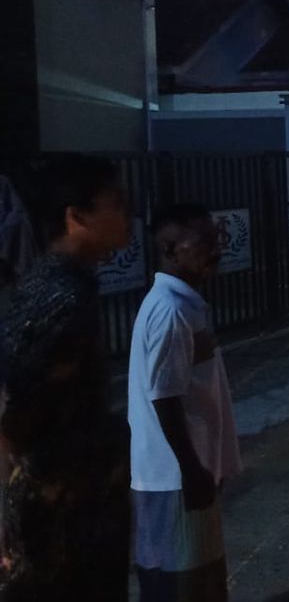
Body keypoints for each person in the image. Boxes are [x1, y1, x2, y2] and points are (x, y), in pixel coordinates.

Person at [0, 154, 132, 601]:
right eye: (114, 203)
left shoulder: (59, 287)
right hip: (60, 521)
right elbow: (16, 413)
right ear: (76, 216)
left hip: (74, 507)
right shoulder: (61, 299)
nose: (126, 214)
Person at [129, 204, 242, 601]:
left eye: (217, 238)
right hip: (173, 476)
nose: (215, 248)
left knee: (193, 575)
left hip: (183, 471)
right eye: (204, 240)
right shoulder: (171, 311)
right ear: (171, 247)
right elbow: (164, 397)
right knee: (182, 582)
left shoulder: (183, 304)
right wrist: (192, 471)